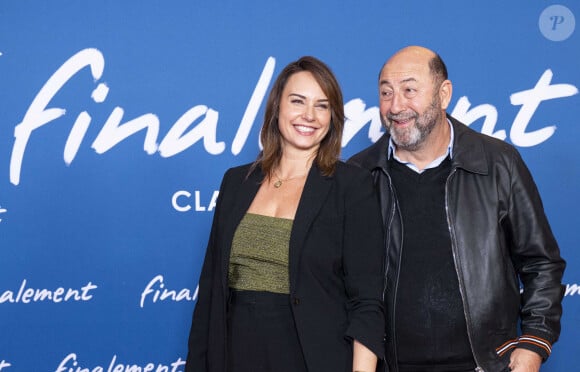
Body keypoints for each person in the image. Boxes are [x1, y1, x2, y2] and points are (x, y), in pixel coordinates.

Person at [348, 46, 566, 372]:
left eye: (409, 90)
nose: (396, 106)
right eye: (386, 93)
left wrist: (534, 341)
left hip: (485, 364)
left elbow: (542, 263)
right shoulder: (360, 175)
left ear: (444, 93)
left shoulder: (498, 164)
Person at [186, 56, 385, 372]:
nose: (309, 115)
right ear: (277, 106)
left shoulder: (352, 186)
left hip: (313, 358)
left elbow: (367, 302)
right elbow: (210, 297)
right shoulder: (236, 182)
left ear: (333, 117)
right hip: (235, 355)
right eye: (298, 101)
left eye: (322, 105)